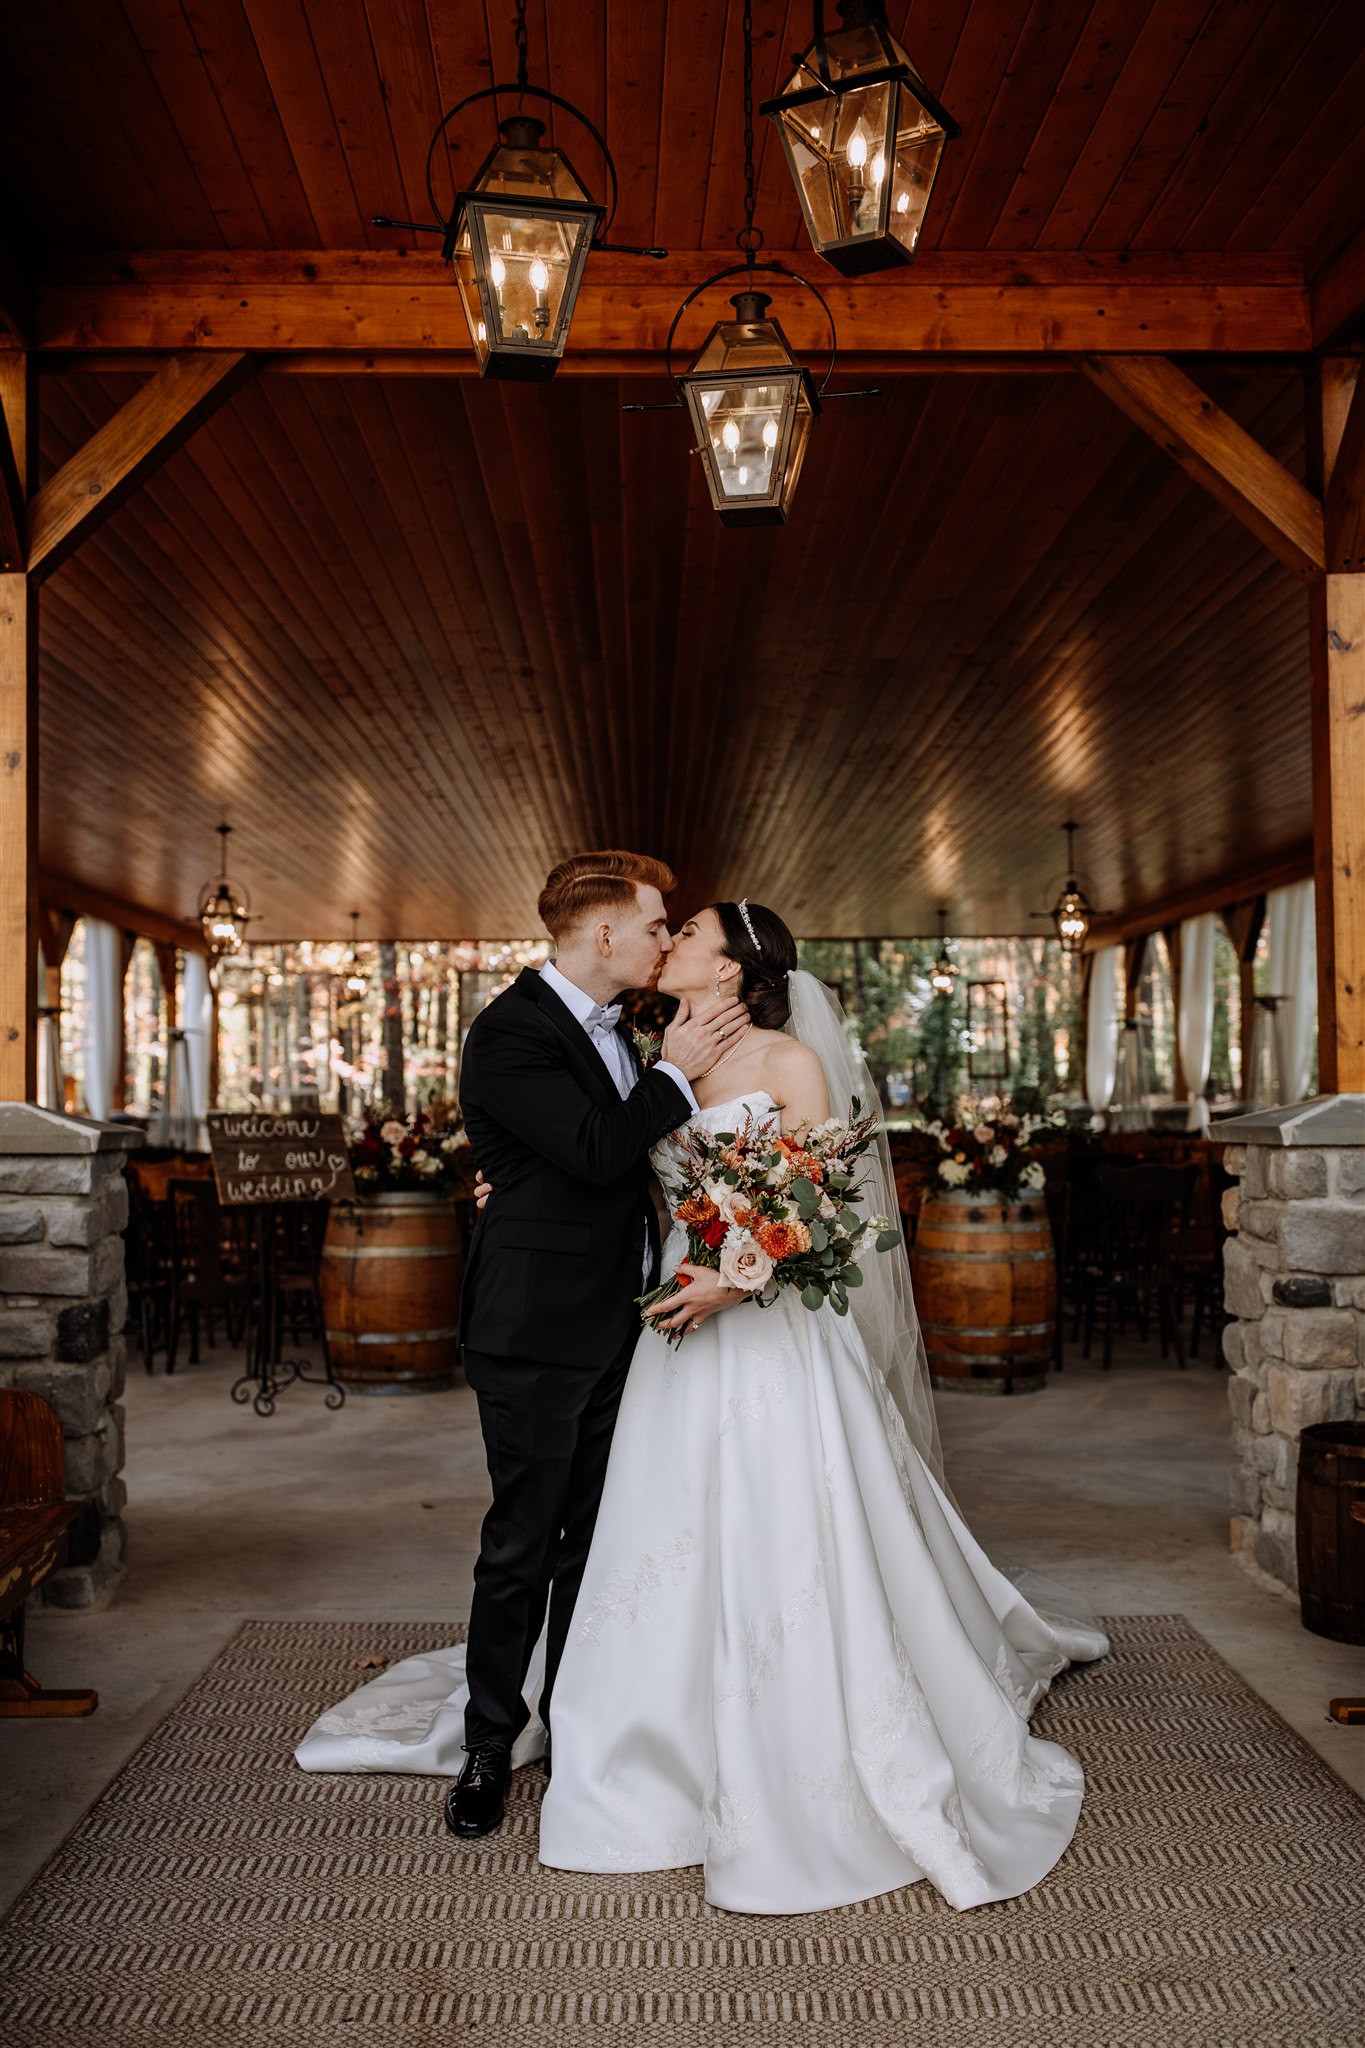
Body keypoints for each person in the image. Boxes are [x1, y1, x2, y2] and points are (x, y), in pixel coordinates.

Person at [298, 894, 1108, 1915]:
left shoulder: (789, 1062)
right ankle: (602, 1733)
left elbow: (829, 1206)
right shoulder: (651, 1046)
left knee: (778, 1530)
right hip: (660, 1326)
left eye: (689, 934)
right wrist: (520, 1192)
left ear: (731, 971)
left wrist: (742, 1271)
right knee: (639, 1531)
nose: (669, 939)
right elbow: (607, 1157)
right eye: (661, 926)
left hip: (756, 1325)